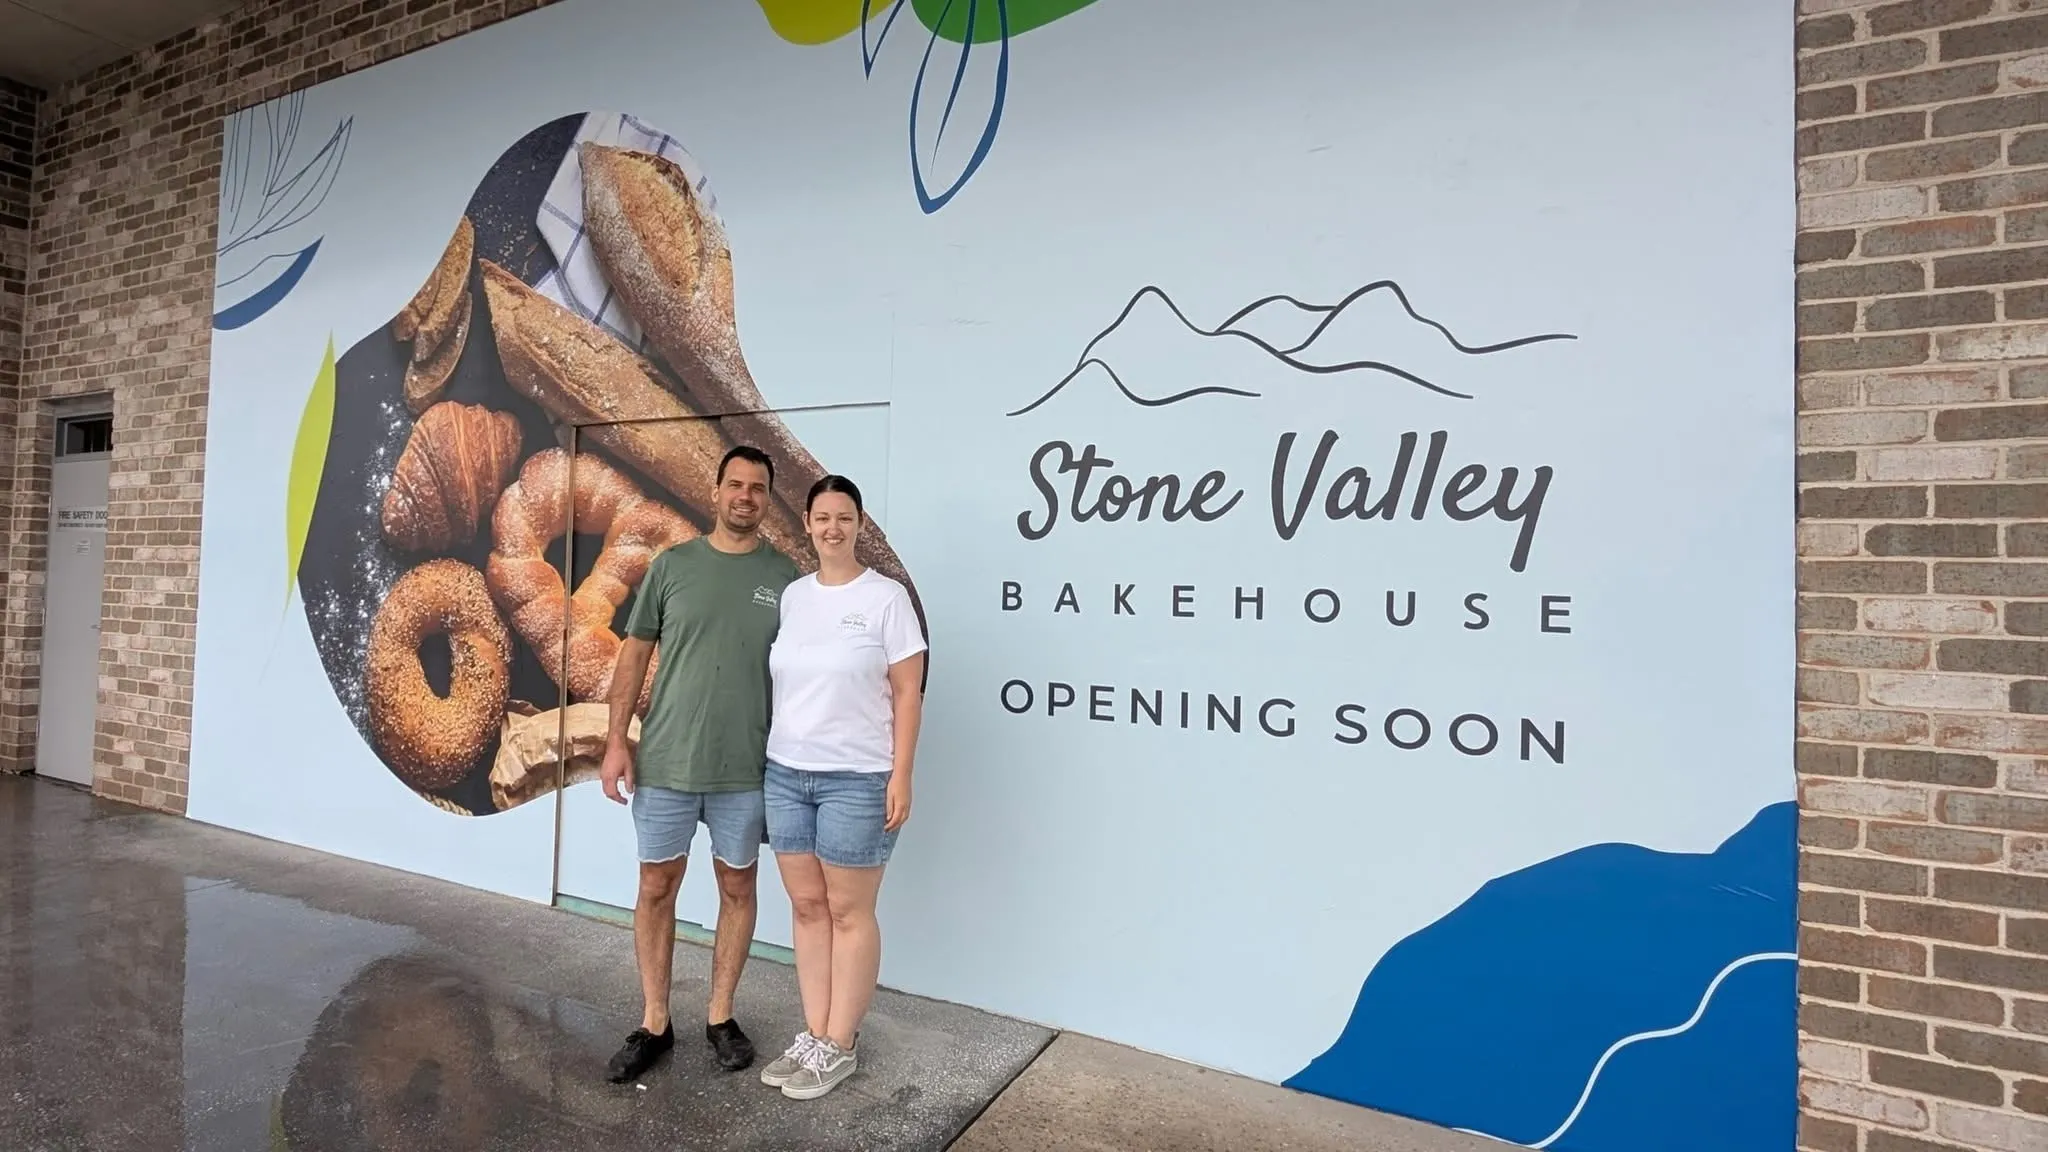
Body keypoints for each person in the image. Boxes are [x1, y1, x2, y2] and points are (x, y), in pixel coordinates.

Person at [598, 445, 801, 1084]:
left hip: (746, 767)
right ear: (715, 493)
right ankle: (655, 1022)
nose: (745, 496)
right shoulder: (672, 566)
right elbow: (631, 659)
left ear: (767, 499)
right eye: (735, 485)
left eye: (757, 488)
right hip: (666, 762)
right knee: (656, 886)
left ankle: (721, 1017)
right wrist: (615, 740)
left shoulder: (787, 578)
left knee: (738, 888)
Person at [755, 475, 926, 1100]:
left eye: (844, 518)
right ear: (806, 522)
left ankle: (841, 1043)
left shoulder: (886, 600)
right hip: (786, 773)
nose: (832, 528)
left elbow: (909, 691)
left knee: (850, 911)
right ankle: (814, 1033)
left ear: (859, 524)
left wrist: (900, 774)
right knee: (806, 907)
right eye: (822, 517)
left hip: (857, 777)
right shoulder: (795, 597)